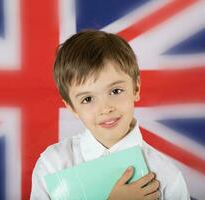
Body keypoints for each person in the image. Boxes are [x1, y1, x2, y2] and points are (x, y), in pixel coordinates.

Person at [30, 30, 190, 200]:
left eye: (115, 91)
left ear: (136, 88)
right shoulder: (53, 164)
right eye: (88, 99)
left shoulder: (167, 176)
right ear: (72, 108)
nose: (105, 108)